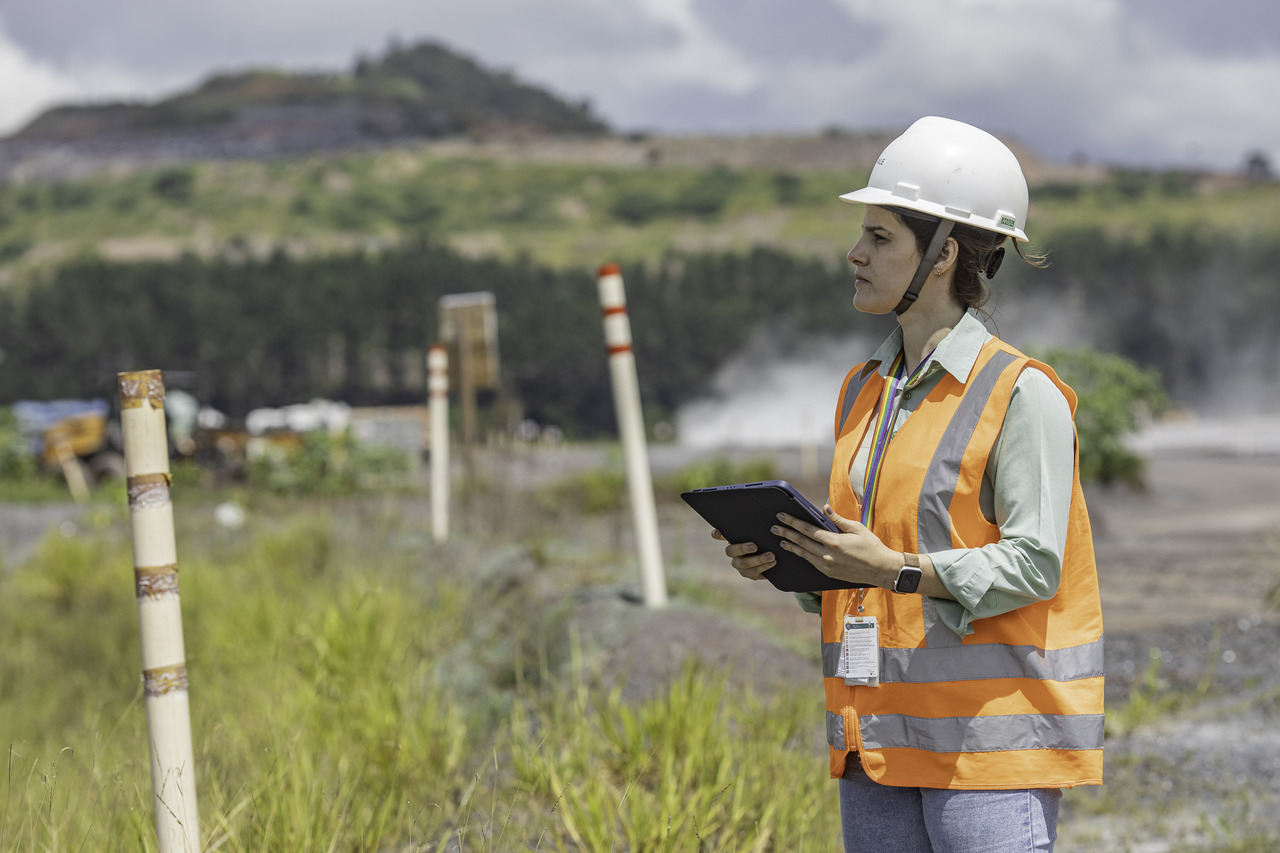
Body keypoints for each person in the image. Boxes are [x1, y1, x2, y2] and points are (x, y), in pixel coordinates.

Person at [715, 116, 1104, 852]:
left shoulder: (1022, 394)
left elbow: (1034, 563)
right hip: (876, 742)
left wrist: (891, 570)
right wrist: (794, 562)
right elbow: (869, 566)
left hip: (988, 749)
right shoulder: (864, 390)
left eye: (881, 237)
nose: (854, 254)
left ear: (943, 254)